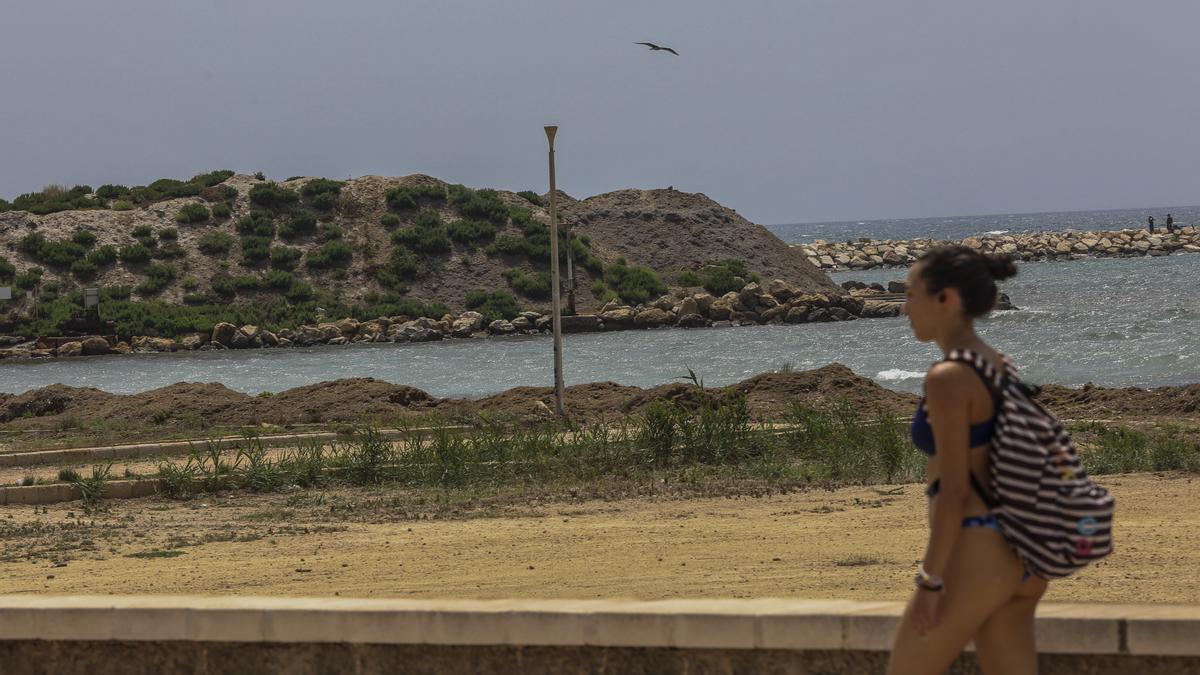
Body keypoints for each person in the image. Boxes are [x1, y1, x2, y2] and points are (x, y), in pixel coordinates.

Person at [888, 246, 1046, 675]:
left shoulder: (949, 377)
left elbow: (956, 490)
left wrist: (930, 580)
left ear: (947, 299)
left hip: (978, 550)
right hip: (1023, 555)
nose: (905, 308)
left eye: (911, 294)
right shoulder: (998, 364)